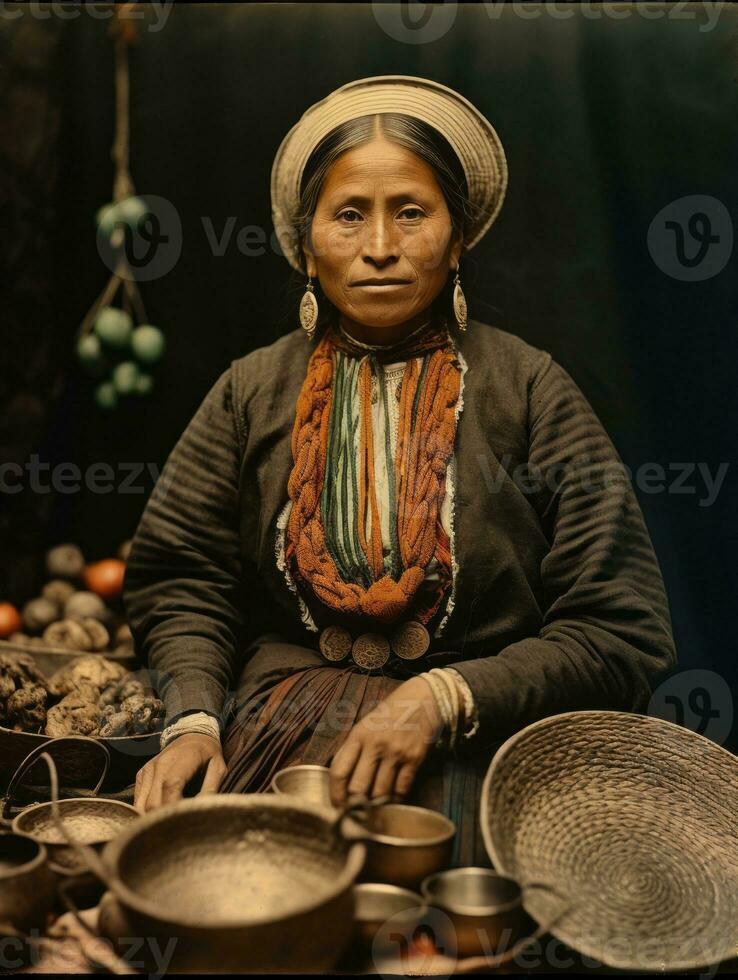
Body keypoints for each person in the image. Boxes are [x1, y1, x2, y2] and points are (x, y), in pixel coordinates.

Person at [123, 75, 677, 866]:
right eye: (349, 215)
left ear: (456, 241)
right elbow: (182, 578)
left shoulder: (529, 390)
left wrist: (442, 697)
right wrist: (193, 721)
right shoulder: (252, 391)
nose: (380, 245)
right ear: (307, 244)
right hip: (278, 737)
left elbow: (619, 628)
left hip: (482, 745)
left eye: (411, 212)